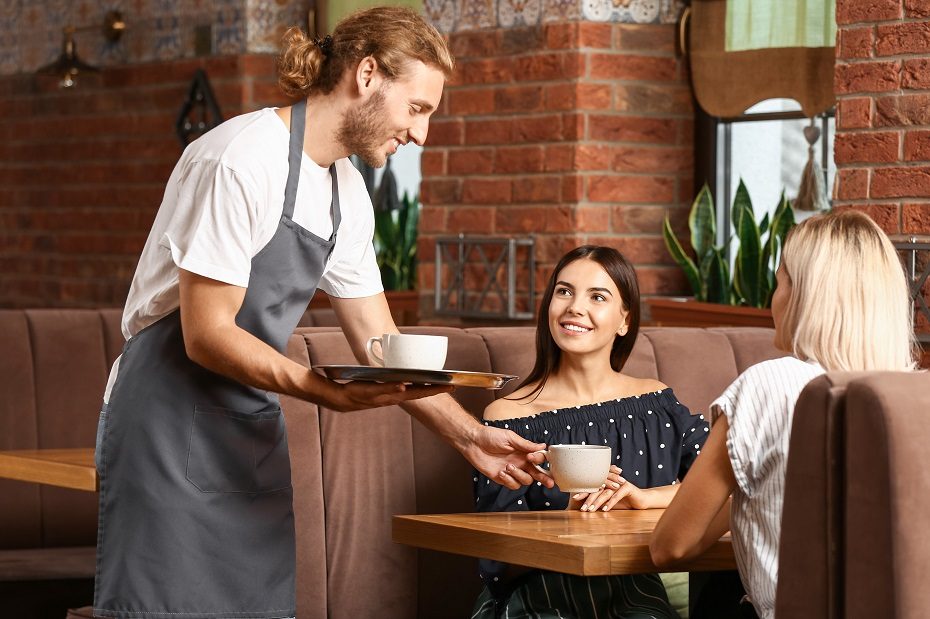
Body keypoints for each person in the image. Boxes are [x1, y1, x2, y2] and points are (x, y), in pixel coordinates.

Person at [92, 7, 551, 619]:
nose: (422, 135)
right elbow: (205, 335)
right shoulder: (239, 158)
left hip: (246, 423)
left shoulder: (345, 192)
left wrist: (470, 438)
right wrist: (319, 390)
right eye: (417, 108)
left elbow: (379, 342)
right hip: (165, 421)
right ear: (366, 74)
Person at [650, 210, 917, 619]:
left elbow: (670, 547)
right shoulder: (912, 394)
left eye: (779, 282)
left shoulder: (770, 384)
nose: (772, 299)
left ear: (804, 295)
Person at [472, 245, 711, 619]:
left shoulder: (656, 401)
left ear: (624, 321)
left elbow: (725, 481)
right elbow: (497, 561)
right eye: (564, 291)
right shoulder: (507, 418)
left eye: (597, 296)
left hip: (637, 592)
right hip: (536, 597)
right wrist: (567, 518)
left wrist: (642, 498)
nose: (574, 307)